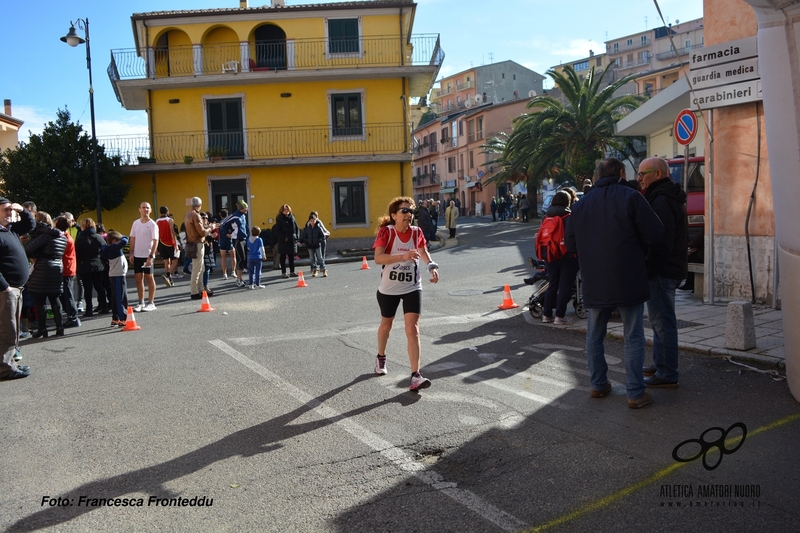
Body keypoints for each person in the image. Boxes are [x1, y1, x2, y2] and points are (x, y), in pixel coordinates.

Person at [565, 157, 664, 409]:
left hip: (595, 279)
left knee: (594, 333)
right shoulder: (631, 197)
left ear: (597, 176)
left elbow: (572, 244)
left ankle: (598, 385)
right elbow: (655, 234)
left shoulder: (581, 205)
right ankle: (635, 392)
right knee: (633, 334)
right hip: (628, 275)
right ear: (621, 172)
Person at [372, 197, 440, 391]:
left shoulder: (416, 232)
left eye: (411, 211)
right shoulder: (387, 232)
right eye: (404, 211)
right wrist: (403, 256)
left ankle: (416, 375)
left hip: (412, 287)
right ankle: (381, 357)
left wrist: (432, 266)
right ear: (394, 215)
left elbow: (424, 251)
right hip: (389, 289)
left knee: (413, 328)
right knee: (387, 325)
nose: (409, 214)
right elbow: (378, 258)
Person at [637, 157, 688, 388]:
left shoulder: (662, 200)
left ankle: (667, 372)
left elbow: (661, 241)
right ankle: (660, 363)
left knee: (662, 322)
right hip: (669, 268)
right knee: (660, 321)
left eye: (643, 174)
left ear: (657, 174)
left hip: (662, 270)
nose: (639, 179)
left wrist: (650, 269)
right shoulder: (666, 195)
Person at [0, 198, 35, 380]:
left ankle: (10, 364)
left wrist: (21, 210)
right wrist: (4, 287)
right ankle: (5, 369)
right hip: (6, 290)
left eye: (10, 210)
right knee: (7, 329)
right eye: (6, 209)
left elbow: (30, 224)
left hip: (16, 288)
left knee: (12, 329)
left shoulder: (10, 230)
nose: (9, 212)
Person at [25, 212, 67, 338]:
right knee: (55, 298)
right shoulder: (62, 236)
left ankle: (42, 329)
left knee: (40, 300)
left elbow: (28, 249)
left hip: (43, 268)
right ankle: (60, 327)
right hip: (57, 267)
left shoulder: (45, 236)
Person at [540, 191, 579, 325]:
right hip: (567, 255)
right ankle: (560, 316)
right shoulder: (569, 216)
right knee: (565, 285)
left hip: (550, 254)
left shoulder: (546, 217)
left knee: (552, 284)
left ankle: (546, 314)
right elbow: (573, 236)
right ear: (567, 202)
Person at [184, 197, 217, 300]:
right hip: (198, 243)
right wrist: (211, 227)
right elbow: (202, 232)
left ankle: (201, 289)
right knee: (197, 269)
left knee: (200, 268)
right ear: (200, 205)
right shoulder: (196, 215)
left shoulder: (187, 215)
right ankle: (194, 292)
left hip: (192, 243)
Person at [75, 218, 109, 317]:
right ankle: (104, 306)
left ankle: (89, 309)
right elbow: (104, 250)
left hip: (84, 266)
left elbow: (77, 253)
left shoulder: (80, 239)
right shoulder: (99, 237)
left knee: (87, 288)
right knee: (100, 287)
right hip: (98, 265)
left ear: (83, 227)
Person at [129, 202, 159, 312]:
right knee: (138, 279)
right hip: (137, 255)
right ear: (139, 209)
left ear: (150, 210)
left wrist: (151, 257)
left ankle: (151, 302)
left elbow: (156, 241)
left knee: (149, 278)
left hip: (147, 256)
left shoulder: (152, 224)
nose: (145, 209)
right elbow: (132, 238)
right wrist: (131, 253)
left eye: (147, 208)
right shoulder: (136, 223)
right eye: (143, 208)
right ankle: (141, 302)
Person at [54, 216, 80, 328]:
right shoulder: (66, 236)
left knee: (68, 294)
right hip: (68, 268)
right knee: (66, 293)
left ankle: (73, 317)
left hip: (66, 268)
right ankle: (71, 315)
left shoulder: (64, 238)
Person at [102, 230, 129, 327]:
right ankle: (122, 318)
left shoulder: (107, 249)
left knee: (115, 297)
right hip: (118, 275)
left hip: (114, 274)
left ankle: (115, 317)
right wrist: (124, 236)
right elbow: (125, 241)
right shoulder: (114, 248)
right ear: (114, 241)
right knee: (120, 297)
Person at [219, 201, 249, 287]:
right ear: (241, 208)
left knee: (243, 259)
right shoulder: (235, 215)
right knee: (240, 259)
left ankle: (241, 278)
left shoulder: (243, 215)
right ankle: (238, 280)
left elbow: (245, 227)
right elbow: (223, 223)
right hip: (238, 240)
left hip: (243, 239)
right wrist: (226, 233)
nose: (247, 209)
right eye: (246, 208)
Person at [273, 204, 300, 279]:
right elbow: (277, 231)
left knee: (291, 256)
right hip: (284, 241)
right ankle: (284, 272)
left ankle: (292, 271)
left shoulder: (292, 217)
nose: (286, 211)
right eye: (285, 210)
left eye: (287, 210)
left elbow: (296, 228)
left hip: (292, 240)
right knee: (283, 257)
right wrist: (284, 237)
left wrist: (297, 236)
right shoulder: (279, 219)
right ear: (282, 211)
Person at [156, 206, 179, 288]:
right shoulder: (170, 220)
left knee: (166, 261)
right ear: (167, 211)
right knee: (175, 260)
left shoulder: (157, 221)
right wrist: (175, 244)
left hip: (161, 242)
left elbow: (156, 234)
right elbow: (172, 232)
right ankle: (168, 274)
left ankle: (170, 280)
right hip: (170, 242)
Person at [302, 212, 329, 277]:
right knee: (312, 258)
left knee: (320, 258)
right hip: (310, 246)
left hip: (317, 245)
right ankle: (314, 270)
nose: (312, 222)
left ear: (315, 220)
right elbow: (304, 236)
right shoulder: (307, 228)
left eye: (313, 220)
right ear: (309, 221)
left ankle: (323, 270)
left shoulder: (318, 227)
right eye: (311, 220)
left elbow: (322, 236)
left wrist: (318, 241)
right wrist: (306, 241)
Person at [216, 209, 235, 280]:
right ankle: (233, 272)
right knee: (233, 257)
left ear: (220, 215)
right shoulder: (229, 222)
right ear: (227, 215)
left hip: (222, 241)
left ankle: (225, 274)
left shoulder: (220, 223)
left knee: (223, 259)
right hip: (229, 240)